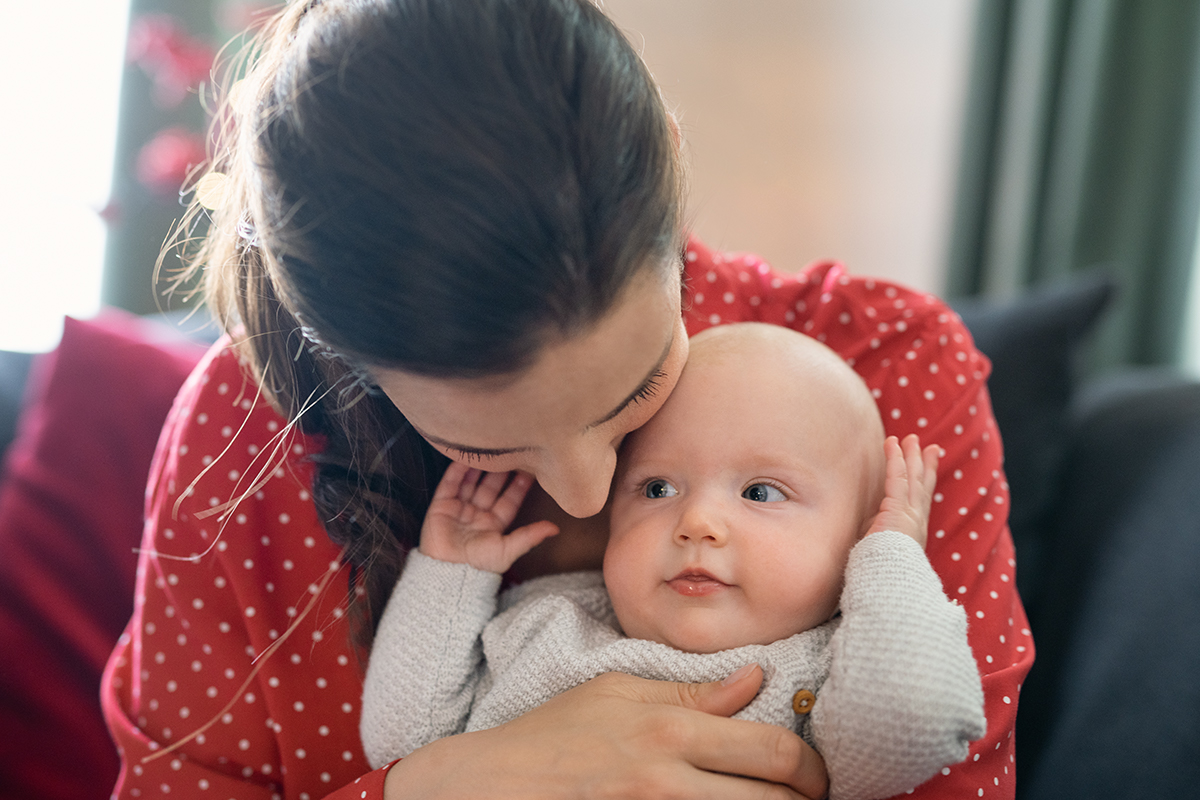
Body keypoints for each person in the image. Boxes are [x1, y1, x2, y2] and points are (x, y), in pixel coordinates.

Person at [100, 0, 1033, 798]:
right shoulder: (246, 434)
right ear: (349, 362)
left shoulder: (878, 365)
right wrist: (447, 784)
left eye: (640, 389)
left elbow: (934, 752)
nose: (589, 494)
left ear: (673, 166)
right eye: (483, 445)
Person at [360, 323, 986, 800]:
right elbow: (406, 746)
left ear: (857, 537)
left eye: (761, 493)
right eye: (657, 489)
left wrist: (892, 553)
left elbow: (910, 725)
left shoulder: (832, 674)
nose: (697, 522)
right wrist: (453, 575)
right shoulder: (548, 620)